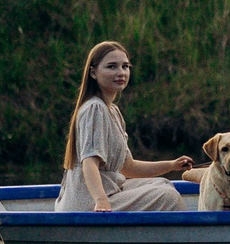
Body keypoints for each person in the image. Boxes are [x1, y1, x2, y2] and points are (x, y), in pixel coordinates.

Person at [57, 40, 194, 213]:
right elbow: (89, 164)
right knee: (168, 196)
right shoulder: (94, 108)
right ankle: (178, 240)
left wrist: (171, 165)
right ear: (93, 72)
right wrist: (101, 201)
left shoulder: (112, 111)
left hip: (110, 190)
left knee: (162, 183)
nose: (121, 72)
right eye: (112, 67)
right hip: (88, 204)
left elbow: (128, 167)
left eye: (125, 66)